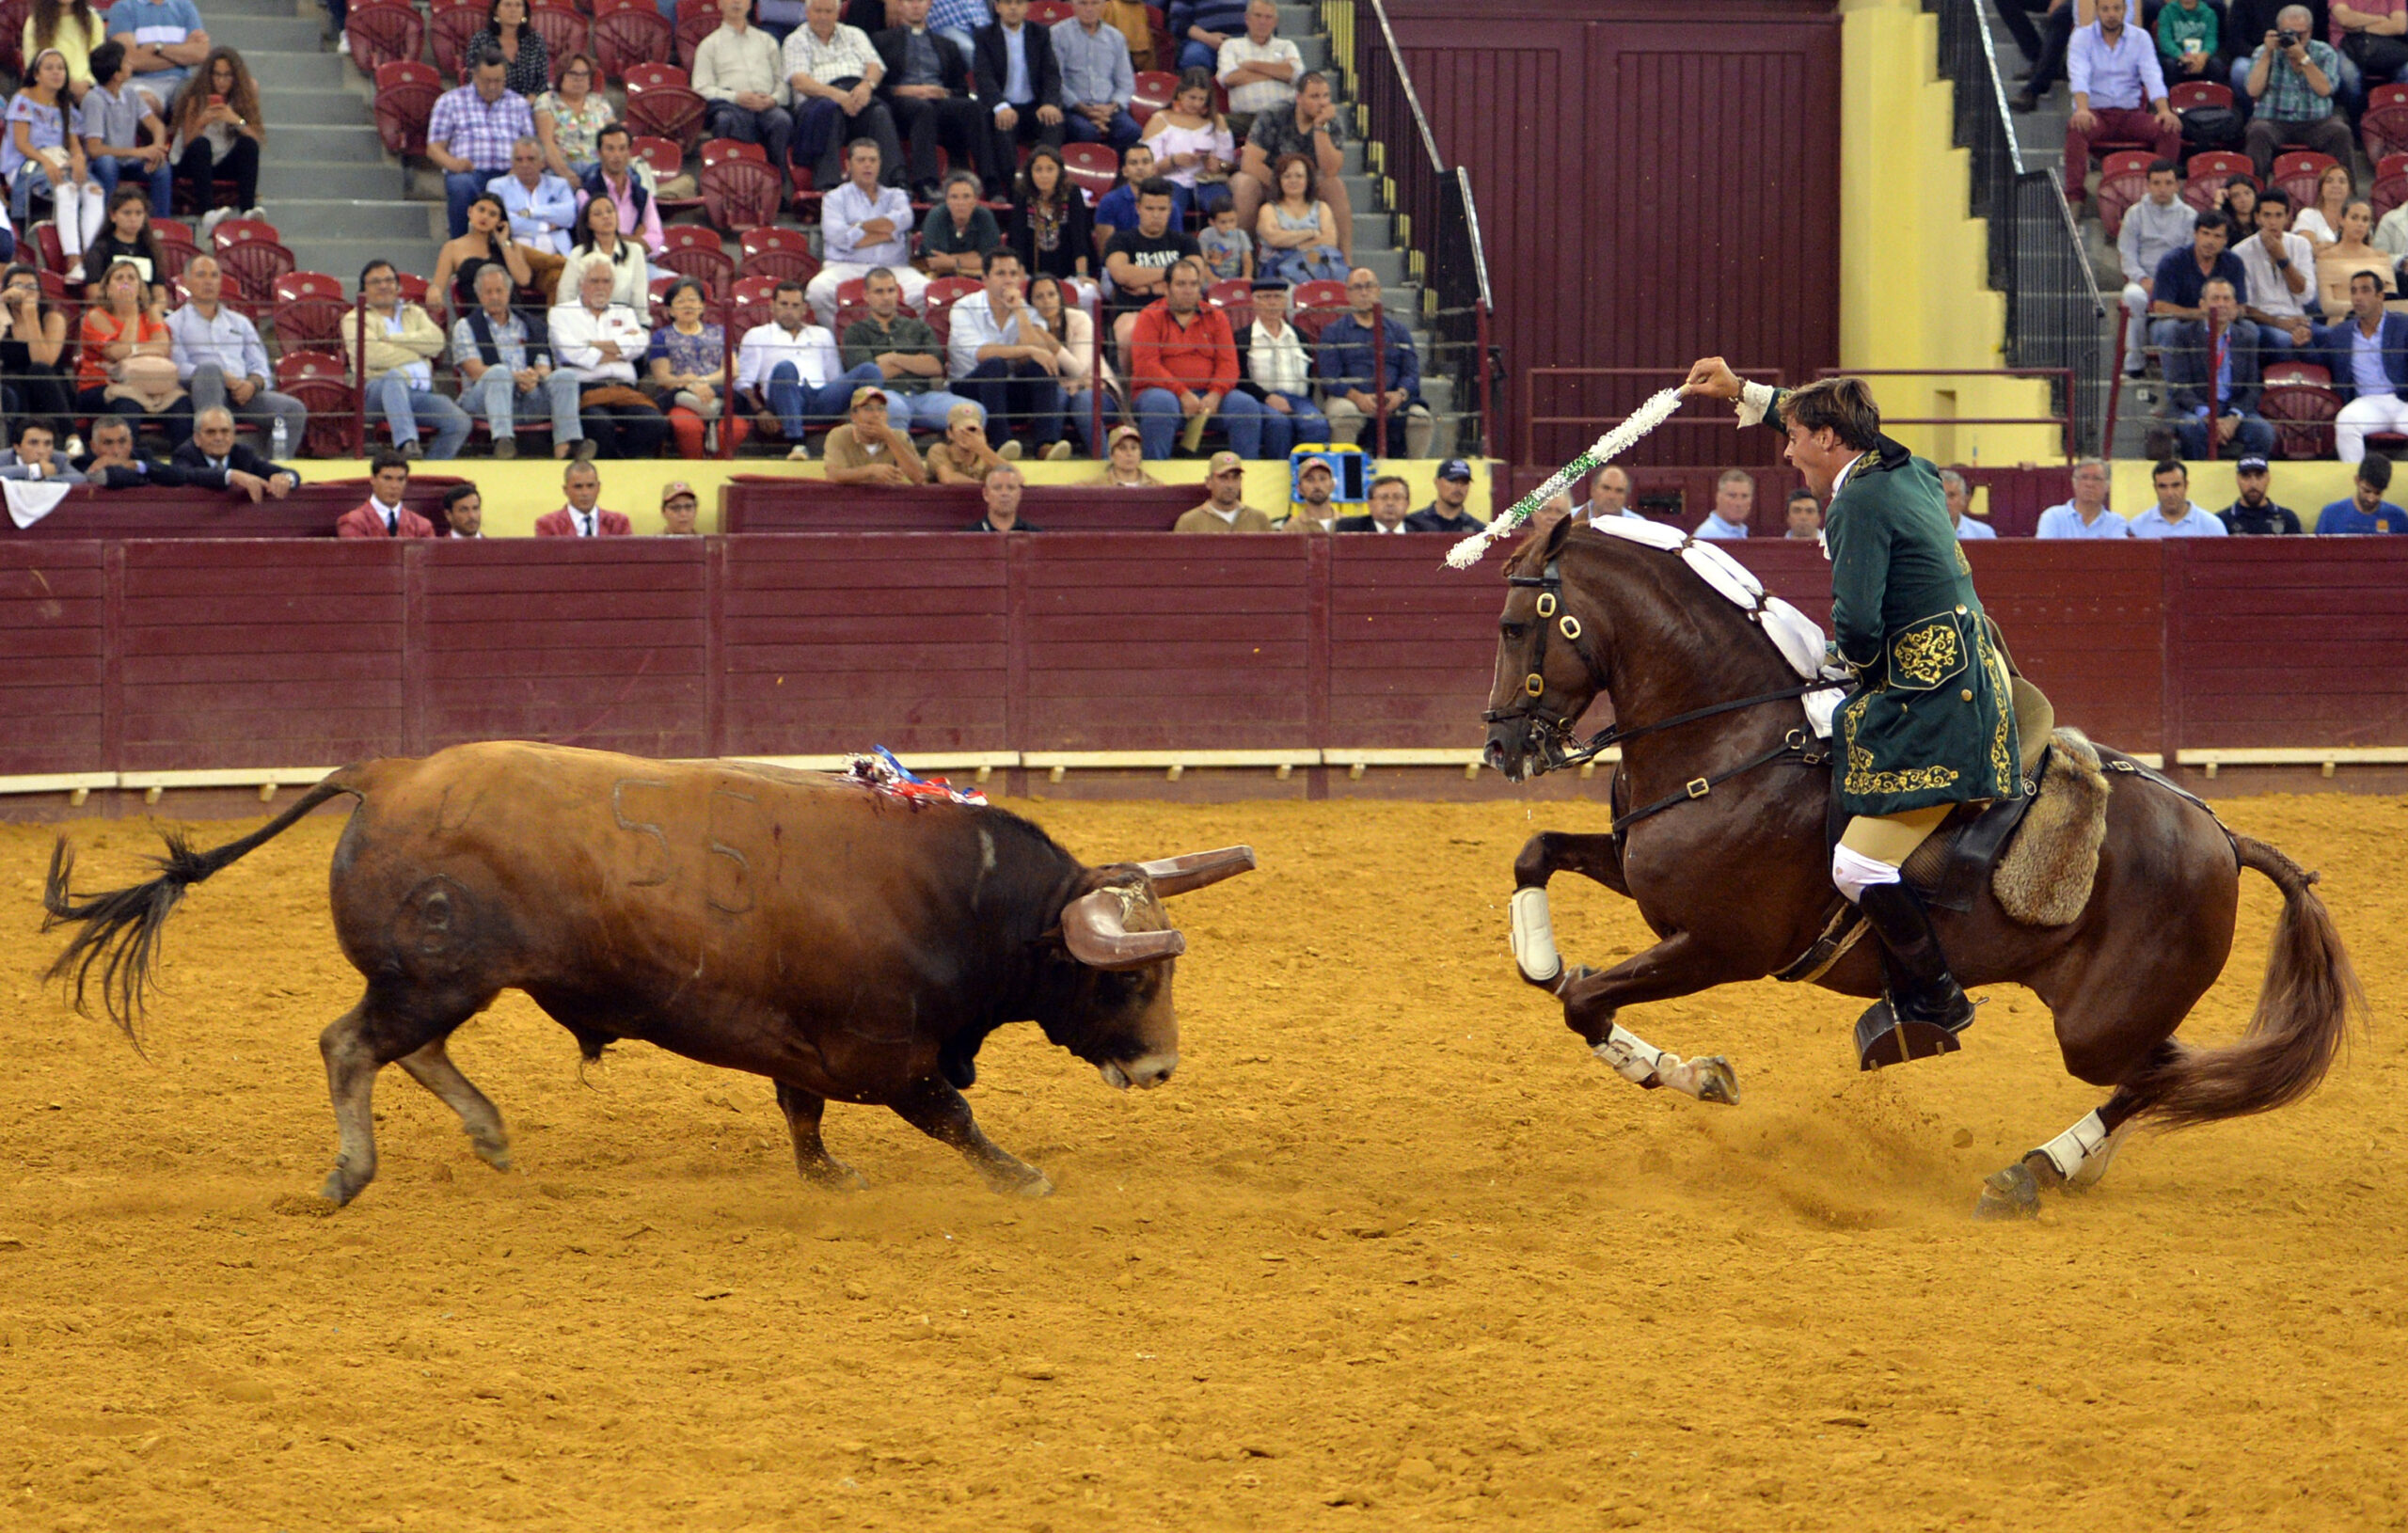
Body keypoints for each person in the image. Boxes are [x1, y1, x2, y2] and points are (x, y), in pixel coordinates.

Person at [1680, 358, 2020, 1069]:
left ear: (1830, 440)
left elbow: (1861, 622)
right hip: (1966, 669)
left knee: (1859, 866)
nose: (1786, 449)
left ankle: (1934, 996)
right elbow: (1820, 420)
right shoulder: (1906, 468)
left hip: (1935, 698)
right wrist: (1743, 392)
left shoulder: (1854, 503)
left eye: (1796, 437)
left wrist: (1839, 659)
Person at [167, 252, 308, 450]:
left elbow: (260, 366)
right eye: (201, 275)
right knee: (209, 371)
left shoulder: (240, 322)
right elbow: (177, 368)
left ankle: (272, 469)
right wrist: (221, 376)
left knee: (293, 410)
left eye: (214, 275)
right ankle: (211, 464)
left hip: (243, 395)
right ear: (187, 282)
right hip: (203, 393)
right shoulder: (174, 323)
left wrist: (251, 384)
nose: (208, 281)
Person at [1131, 257, 1265, 459]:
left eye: (1194, 284)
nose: (1188, 290)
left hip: (1209, 395)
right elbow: (1146, 365)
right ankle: (1154, 483)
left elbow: (1229, 363)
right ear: (1166, 288)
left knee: (1246, 406)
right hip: (1161, 393)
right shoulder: (1149, 316)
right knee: (1161, 405)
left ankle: (1244, 481)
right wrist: (1182, 393)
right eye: (1181, 284)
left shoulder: (1216, 316)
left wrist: (1216, 394)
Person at [738, 277, 882, 457]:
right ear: (772, 306)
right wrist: (760, 410)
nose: (789, 311)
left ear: (804, 309)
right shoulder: (756, 335)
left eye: (795, 305)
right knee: (785, 368)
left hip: (821, 398)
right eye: (783, 304)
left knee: (870, 370)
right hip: (783, 398)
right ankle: (797, 445)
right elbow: (743, 382)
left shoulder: (822, 334)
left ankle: (869, 439)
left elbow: (834, 377)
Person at [346, 259, 471, 459]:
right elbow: (371, 355)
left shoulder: (415, 312)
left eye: (389, 280)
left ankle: (429, 472)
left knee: (459, 421)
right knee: (394, 378)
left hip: (416, 392)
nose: (384, 286)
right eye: (376, 282)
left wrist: (393, 340)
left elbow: (437, 342)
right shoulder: (354, 318)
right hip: (373, 393)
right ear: (364, 290)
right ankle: (407, 444)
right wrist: (418, 357)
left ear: (397, 286)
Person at [948, 248, 1069, 455]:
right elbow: (981, 354)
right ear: (985, 278)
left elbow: (1041, 355)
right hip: (969, 390)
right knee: (994, 364)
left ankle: (1045, 445)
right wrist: (1029, 349)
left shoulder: (1027, 310)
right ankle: (1002, 443)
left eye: (1013, 274)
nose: (1008, 280)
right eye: (1001, 274)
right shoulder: (964, 307)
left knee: (1038, 365)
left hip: (1008, 391)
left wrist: (1019, 312)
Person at [454, 262, 579, 458]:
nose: (494, 297)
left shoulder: (530, 324)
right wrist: (514, 377)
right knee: (498, 373)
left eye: (499, 290)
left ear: (509, 291)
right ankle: (504, 442)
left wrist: (533, 377)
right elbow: (475, 370)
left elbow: (544, 366)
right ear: (478, 295)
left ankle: (568, 449)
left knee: (566, 376)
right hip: (485, 400)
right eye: (488, 292)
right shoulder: (465, 326)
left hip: (527, 396)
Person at [840, 262, 979, 435]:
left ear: (898, 293)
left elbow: (935, 366)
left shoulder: (918, 327)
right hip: (885, 396)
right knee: (895, 410)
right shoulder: (855, 332)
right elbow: (870, 376)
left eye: (891, 291)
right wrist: (916, 361)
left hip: (923, 397)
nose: (886, 297)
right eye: (879, 292)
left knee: (974, 412)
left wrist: (892, 358)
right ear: (866, 295)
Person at [2065, 0, 2179, 206]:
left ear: (2125, 10)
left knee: (2169, 127)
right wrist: (2081, 109)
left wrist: (2164, 110)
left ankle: (2161, 191)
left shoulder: (2140, 37)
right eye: (2106, 9)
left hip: (2130, 115)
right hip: (2096, 113)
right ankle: (2075, 198)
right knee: (2076, 127)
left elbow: (2152, 75)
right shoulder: (2082, 36)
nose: (2111, 14)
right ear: (2097, 10)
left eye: (2117, 8)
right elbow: (2079, 75)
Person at [549, 261, 670, 458]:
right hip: (586, 391)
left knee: (655, 424)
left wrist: (589, 344)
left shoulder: (625, 312)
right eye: (594, 281)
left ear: (613, 285)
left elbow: (638, 345)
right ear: (581, 284)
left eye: (606, 281)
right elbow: (570, 353)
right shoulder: (561, 313)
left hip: (625, 391)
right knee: (600, 425)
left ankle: (620, 462)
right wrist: (620, 347)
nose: (600, 287)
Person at [1232, 71, 1349, 265]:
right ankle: (1246, 262)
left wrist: (1320, 128)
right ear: (1299, 98)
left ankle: (1343, 263)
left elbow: (1330, 170)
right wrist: (1284, 185)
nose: (1322, 103)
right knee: (1245, 184)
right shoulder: (1274, 114)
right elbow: (1250, 163)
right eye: (1314, 96)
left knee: (1334, 185)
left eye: (1325, 96)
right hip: (1268, 180)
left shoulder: (1331, 121)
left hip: (1306, 184)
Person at [1317, 267, 1434, 459]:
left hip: (1393, 398)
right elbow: (1330, 377)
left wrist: (1400, 394)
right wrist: (1358, 397)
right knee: (1344, 415)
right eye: (1357, 287)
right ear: (1347, 294)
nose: (1364, 292)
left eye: (1369, 286)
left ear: (1378, 290)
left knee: (1420, 419)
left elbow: (1411, 374)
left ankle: (1411, 476)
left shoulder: (1398, 331)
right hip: (1349, 398)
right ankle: (1344, 475)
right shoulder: (1333, 332)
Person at [805, 138, 927, 324]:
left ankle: (897, 337)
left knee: (926, 291)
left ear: (879, 164)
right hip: (845, 266)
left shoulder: (896, 195)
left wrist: (859, 227)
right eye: (861, 160)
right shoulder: (834, 198)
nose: (867, 165)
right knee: (817, 291)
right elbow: (839, 237)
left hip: (893, 268)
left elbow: (905, 219)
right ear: (848, 165)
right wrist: (885, 233)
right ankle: (842, 340)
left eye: (873, 160)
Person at [876, 0, 984, 201]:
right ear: (900, 5)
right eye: (910, 1)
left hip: (938, 100)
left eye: (921, 1)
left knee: (972, 107)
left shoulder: (947, 45)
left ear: (930, 5)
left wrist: (943, 93)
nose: (916, 5)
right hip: (901, 102)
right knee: (922, 109)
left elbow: (961, 88)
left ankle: (990, 183)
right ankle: (926, 183)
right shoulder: (882, 40)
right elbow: (876, 87)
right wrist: (904, 90)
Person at [785, 0, 902, 186]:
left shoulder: (854, 34)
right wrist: (838, 96)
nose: (823, 16)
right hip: (818, 100)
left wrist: (866, 86)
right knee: (829, 110)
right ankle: (827, 184)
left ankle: (894, 181)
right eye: (818, 11)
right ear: (807, 13)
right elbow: (800, 82)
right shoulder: (796, 40)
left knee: (879, 112)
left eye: (829, 11)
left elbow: (875, 66)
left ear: (838, 14)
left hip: (857, 94)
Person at [77, 258, 190, 446]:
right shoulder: (96, 316)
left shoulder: (152, 313)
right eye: (119, 278)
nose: (126, 282)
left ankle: (185, 465)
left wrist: (133, 350)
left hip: (149, 385)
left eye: (131, 278)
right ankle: (129, 463)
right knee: (128, 402)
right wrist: (131, 316)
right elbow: (116, 354)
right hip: (101, 385)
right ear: (107, 288)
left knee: (182, 403)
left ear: (140, 286)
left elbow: (163, 349)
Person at [2164, 277, 2278, 460]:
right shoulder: (2183, 335)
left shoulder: (2246, 337)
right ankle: (2199, 481)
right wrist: (2207, 415)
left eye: (2226, 299)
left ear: (2234, 305)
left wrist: (2234, 418)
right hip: (2196, 407)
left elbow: (2253, 387)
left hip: (2231, 408)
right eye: (2215, 299)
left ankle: (2248, 479)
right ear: (2202, 305)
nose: (2221, 304)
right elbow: (2179, 385)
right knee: (2192, 427)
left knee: (2263, 432)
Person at [429, 49, 536, 242]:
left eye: (499, 81)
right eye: (487, 81)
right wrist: (453, 164)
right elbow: (434, 148)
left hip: (509, 172)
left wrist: (519, 168)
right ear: (474, 75)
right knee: (460, 186)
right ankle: (461, 248)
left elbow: (531, 145)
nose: (493, 86)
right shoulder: (450, 101)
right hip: (470, 173)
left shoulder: (519, 104)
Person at [7, 49, 101, 263]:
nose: (56, 73)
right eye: (49, 68)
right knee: (66, 189)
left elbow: (74, 145)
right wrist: (46, 162)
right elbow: (21, 143)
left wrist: (79, 159)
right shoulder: (23, 99)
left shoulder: (64, 104)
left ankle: (89, 255)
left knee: (94, 191)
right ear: (37, 74)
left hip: (60, 160)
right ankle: (73, 257)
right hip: (27, 163)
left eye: (60, 68)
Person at [2244, 8, 2353, 177]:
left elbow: (2325, 90)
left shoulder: (2324, 52)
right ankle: (2255, 192)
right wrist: (2267, 54)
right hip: (2273, 120)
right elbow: (2253, 90)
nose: (2294, 39)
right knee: (2258, 131)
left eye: (2300, 34)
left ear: (2310, 31)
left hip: (2316, 122)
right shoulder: (2263, 51)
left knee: (2341, 132)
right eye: (2289, 33)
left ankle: (2346, 194)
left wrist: (2304, 59)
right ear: (2278, 31)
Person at [650, 276, 746, 457]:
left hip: (719, 395)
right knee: (686, 425)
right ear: (670, 310)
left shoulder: (720, 332)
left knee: (736, 427)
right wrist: (691, 386)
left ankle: (719, 470)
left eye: (693, 300)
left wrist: (700, 381)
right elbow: (662, 377)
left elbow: (732, 371)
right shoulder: (662, 336)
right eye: (680, 301)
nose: (688, 305)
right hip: (682, 395)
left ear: (702, 306)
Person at [975, 0, 1065, 194]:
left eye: (1019, 3)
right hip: (1002, 106)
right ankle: (1011, 191)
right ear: (997, 7)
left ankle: (1047, 183)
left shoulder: (1040, 33)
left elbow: (1051, 74)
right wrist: (1000, 106)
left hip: (1033, 107)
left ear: (1027, 7)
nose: (1013, 8)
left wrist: (1049, 103)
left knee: (1054, 121)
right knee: (1000, 124)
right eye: (1007, 3)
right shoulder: (984, 35)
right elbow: (984, 77)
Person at [2116, 161, 2195, 376]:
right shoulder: (2134, 214)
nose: (2162, 188)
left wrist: (2170, 283)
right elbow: (2127, 253)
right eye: (2157, 183)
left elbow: (2190, 257)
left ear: (2176, 185)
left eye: (2168, 183)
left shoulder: (2189, 216)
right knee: (2133, 297)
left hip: (2177, 282)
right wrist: (2142, 279)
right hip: (2143, 280)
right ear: (2148, 185)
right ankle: (2134, 363)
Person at [2321, 268, 2408, 461]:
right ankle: (2357, 485)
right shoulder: (2340, 333)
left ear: (2380, 296)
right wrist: (2303, 341)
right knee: (2346, 421)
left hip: (2402, 400)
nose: (2358, 297)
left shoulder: (2402, 325)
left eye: (2365, 290)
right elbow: (2319, 359)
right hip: (2368, 402)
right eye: (2353, 291)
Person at [76, 42, 170, 218]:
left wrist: (156, 150)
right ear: (116, 75)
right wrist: (139, 152)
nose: (131, 64)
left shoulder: (130, 93)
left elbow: (157, 125)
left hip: (130, 161)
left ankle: (160, 226)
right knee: (107, 163)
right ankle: (108, 221)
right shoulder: (94, 100)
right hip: (102, 163)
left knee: (161, 168)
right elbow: (95, 150)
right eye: (126, 62)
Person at [1238, 278, 1323, 459]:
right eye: (1265, 297)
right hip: (1261, 400)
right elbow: (1240, 379)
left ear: (1285, 301)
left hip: (1299, 400)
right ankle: (1279, 474)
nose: (1272, 302)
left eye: (1277, 297)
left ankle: (1309, 477)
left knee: (1317, 425)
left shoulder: (1299, 335)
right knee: (1278, 424)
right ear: (1253, 302)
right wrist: (1267, 397)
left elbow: (1309, 375)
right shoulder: (1243, 338)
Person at [1026, 270, 1111, 452]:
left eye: (1051, 294)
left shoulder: (1079, 319)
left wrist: (1046, 338)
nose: (1047, 301)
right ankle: (1049, 456)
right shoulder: (1027, 327)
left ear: (1060, 297)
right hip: (1062, 391)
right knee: (1057, 395)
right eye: (1039, 297)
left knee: (1081, 401)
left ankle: (1104, 462)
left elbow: (1078, 370)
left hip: (1096, 388)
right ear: (1031, 303)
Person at [2233, 189, 2317, 365]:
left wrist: (2282, 259)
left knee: (2331, 338)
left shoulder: (2300, 245)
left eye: (2279, 215)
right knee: (2282, 341)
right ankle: (2284, 391)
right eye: (2267, 215)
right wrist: (2280, 323)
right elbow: (2245, 307)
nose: (2273, 222)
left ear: (2287, 218)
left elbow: (2306, 295)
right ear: (2257, 218)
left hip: (2298, 320)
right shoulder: (2240, 252)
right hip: (2265, 323)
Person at [2147, 213, 2248, 358]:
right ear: (2195, 234)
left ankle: (2237, 380)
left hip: (2221, 322)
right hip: (2181, 323)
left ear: (2225, 240)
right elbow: (2161, 308)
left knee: (2249, 329)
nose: (2210, 241)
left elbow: (2241, 307)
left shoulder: (2234, 262)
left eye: (2217, 236)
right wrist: (2204, 314)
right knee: (2170, 328)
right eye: (2205, 234)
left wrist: (2234, 313)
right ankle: (2176, 380)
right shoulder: (2172, 261)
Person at [1141, 68, 1236, 217]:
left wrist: (1218, 165)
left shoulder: (1216, 121)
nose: (1197, 103)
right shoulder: (1159, 120)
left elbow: (1228, 163)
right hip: (1172, 180)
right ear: (1180, 94)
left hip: (1206, 181)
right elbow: (1147, 168)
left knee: (1223, 207)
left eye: (1201, 99)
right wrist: (1173, 161)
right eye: (1192, 97)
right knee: (1171, 208)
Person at [432, 193, 539, 315]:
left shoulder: (511, 246)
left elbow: (523, 279)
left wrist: (503, 243)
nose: (485, 217)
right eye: (481, 210)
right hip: (477, 318)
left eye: (492, 214)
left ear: (500, 221)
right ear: (470, 211)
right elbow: (437, 285)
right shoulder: (452, 247)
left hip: (513, 315)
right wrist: (434, 292)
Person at [1053, 0, 1140, 150]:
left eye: (1095, 3)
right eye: (1083, 3)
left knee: (1131, 130)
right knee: (1085, 131)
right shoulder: (1057, 34)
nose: (1089, 9)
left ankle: (1116, 170)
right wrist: (1085, 110)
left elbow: (1126, 83)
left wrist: (1110, 108)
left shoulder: (1116, 37)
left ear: (1104, 5)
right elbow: (1055, 81)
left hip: (1109, 108)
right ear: (1072, 5)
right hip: (1073, 108)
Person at [556, 193, 653, 324]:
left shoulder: (635, 251)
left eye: (610, 211)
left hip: (622, 321)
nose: (606, 217)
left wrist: (642, 326)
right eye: (598, 214)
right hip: (585, 321)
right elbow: (566, 295)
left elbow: (639, 296)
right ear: (588, 223)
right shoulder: (578, 254)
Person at [1007, 145, 1092, 292]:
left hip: (1068, 272)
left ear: (1060, 171)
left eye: (1050, 169)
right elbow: (1017, 239)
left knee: (1087, 293)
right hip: (1030, 273)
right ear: (1030, 172)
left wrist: (1082, 275)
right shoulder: (1022, 194)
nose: (1044, 175)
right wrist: (1020, 276)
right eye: (1038, 169)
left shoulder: (1072, 192)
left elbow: (1080, 237)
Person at [1252, 150, 1345, 285]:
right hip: (1277, 274)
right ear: (1279, 181)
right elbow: (1274, 238)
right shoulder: (1268, 209)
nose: (1293, 181)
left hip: (1317, 269)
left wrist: (1294, 245)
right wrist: (1310, 233)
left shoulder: (1322, 208)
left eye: (1299, 176)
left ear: (1308, 180)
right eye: (1287, 176)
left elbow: (1330, 241)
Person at [172, 405, 296, 499]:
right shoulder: (184, 454)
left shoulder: (243, 454)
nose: (219, 438)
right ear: (197, 438)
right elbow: (187, 474)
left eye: (225, 431)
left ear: (233, 436)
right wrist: (231, 476)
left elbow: (291, 473)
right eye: (211, 432)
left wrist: (285, 478)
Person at [0, 262, 73, 422]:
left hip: (51, 393)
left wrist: (30, 316)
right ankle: (19, 439)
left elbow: (44, 362)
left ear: (40, 293)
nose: (25, 292)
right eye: (18, 286)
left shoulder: (53, 318)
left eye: (31, 287)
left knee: (37, 369)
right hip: (16, 392)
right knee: (10, 377)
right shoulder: (3, 318)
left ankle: (71, 436)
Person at [1217, 0, 1300, 137]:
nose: (1263, 22)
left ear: (1275, 21)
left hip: (1283, 116)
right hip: (1245, 118)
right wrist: (1277, 72)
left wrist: (1252, 66)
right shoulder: (1231, 46)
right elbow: (1229, 78)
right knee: (1215, 124)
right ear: (1247, 18)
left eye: (1268, 17)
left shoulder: (1286, 46)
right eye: (1258, 16)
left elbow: (1296, 75)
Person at [488, 136, 578, 262]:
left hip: (556, 257)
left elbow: (569, 216)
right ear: (512, 163)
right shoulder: (497, 186)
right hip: (515, 258)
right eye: (519, 160)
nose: (525, 165)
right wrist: (544, 226)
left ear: (542, 162)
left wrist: (529, 213)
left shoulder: (559, 185)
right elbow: (501, 222)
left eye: (531, 159)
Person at [581, 125, 665, 258]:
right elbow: (595, 239)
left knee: (671, 278)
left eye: (622, 148)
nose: (617, 155)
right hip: (601, 264)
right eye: (610, 149)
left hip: (638, 262)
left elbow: (656, 243)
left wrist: (617, 237)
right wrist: (636, 238)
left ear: (629, 152)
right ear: (599, 153)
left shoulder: (643, 194)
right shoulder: (586, 193)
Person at [821, 384, 927, 483]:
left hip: (887, 501)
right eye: (868, 409)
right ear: (853, 415)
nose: (876, 415)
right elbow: (833, 475)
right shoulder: (839, 435)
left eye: (881, 409)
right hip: (852, 501)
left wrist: (889, 437)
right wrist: (870, 471)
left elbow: (919, 477)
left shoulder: (899, 436)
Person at [105, 0, 208, 100]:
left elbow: (201, 53)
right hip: (142, 82)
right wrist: (183, 55)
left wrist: (158, 48)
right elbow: (130, 60)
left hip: (182, 82)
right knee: (144, 100)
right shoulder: (123, 8)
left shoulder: (185, 5)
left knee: (199, 102)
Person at [75, 184, 166, 296]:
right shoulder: (100, 250)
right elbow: (94, 292)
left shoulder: (152, 249)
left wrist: (153, 310)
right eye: (127, 213)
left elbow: (160, 294)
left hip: (145, 310)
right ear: (113, 215)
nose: (133, 219)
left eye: (138, 213)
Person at [534, 54, 610, 182]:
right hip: (561, 169)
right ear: (561, 76)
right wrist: (566, 174)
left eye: (584, 74)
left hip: (597, 169)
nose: (579, 79)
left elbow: (614, 137)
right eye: (572, 74)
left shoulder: (600, 103)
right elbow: (546, 143)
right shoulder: (547, 101)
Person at [1095, 143, 1185, 250]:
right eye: (1133, 163)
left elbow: (1176, 247)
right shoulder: (1109, 202)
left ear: (1154, 169)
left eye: (1145, 162)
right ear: (1124, 171)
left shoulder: (1171, 205)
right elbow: (1106, 250)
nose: (1140, 167)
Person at [2313, 199, 2392, 319]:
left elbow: (2393, 298)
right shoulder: (2326, 257)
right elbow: (2327, 305)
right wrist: (2364, 307)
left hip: (2382, 321)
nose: (2360, 224)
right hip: (2344, 321)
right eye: (2354, 218)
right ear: (2341, 220)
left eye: (2365, 220)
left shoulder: (2381, 256)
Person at [76, 412, 198, 487]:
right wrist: (149, 475)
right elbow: (115, 479)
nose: (116, 450)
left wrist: (134, 465)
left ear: (131, 443)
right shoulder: (83, 462)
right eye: (108, 443)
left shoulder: (142, 455)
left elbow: (178, 476)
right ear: (93, 446)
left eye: (122, 442)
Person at [336, 450, 437, 537]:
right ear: (373, 479)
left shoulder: (423, 526)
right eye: (387, 478)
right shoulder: (352, 522)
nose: (394, 486)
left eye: (400, 479)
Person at [919, 171, 1000, 279]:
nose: (960, 203)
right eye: (954, 197)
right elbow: (936, 262)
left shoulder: (984, 216)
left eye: (966, 196)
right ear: (946, 200)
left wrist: (953, 261)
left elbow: (991, 261)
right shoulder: (936, 215)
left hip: (979, 277)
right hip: (939, 276)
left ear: (976, 200)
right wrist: (974, 257)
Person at [25, 0, 106, 103]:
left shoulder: (93, 19)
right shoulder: (34, 22)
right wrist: (68, 84)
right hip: (50, 91)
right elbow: (32, 64)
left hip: (87, 90)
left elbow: (99, 60)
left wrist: (87, 83)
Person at [471, 0, 550, 103]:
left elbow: (542, 81)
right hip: (490, 103)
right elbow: (474, 78)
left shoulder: (535, 40)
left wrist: (526, 103)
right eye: (507, 5)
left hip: (530, 105)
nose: (513, 10)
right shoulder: (481, 39)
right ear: (496, 10)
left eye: (518, 5)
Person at [2131, 457, 2232, 536]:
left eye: (2176, 485)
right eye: (2163, 486)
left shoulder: (2212, 525)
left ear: (2186, 485)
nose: (2170, 493)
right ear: (2155, 488)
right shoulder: (2137, 526)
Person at [1174, 449, 1274, 529]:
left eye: (1235, 478)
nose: (1230, 485)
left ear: (1240, 481)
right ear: (1209, 482)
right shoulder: (1189, 522)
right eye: (1223, 478)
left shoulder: (1259, 519)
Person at [2035, 456, 2131, 536]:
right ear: (2074, 483)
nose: (2089, 484)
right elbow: (2045, 556)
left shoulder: (2116, 522)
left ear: (2108, 486)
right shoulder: (2053, 517)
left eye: (2097, 479)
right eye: (2084, 478)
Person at [534, 459, 633, 534]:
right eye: (578, 487)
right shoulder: (548, 524)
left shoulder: (619, 523)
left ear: (598, 488)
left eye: (590, 486)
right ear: (566, 490)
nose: (585, 493)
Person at [2315, 450, 2408, 529]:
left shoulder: (2398, 517)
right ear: (2357, 480)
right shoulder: (2331, 514)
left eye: (2377, 493)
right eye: (2367, 491)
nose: (2371, 499)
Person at [925, 398, 1014, 481]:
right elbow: (948, 478)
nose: (967, 434)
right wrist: (987, 486)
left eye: (972, 429)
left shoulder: (985, 457)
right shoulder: (939, 450)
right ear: (950, 433)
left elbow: (1016, 478)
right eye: (962, 430)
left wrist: (982, 448)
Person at [2218, 454, 2304, 532]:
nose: (2253, 484)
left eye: (2259, 476)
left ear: (2268, 478)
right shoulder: (2222, 521)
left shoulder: (2287, 519)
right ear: (2237, 479)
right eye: (2246, 476)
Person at [1407, 458, 1482, 532]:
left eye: (1464, 482)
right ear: (1436, 482)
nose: (1458, 487)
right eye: (1452, 480)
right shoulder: (1413, 524)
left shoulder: (1478, 530)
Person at [1169, 0, 1247, 71]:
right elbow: (1178, 23)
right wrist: (1208, 38)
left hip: (1245, 42)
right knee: (1194, 56)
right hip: (1203, 42)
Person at [0, 419, 83, 482]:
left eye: (47, 444)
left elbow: (80, 479)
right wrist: (36, 470)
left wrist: (48, 478)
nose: (41, 451)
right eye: (34, 443)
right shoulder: (3, 458)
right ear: (17, 448)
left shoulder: (58, 458)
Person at [2157, 0, 2223, 79]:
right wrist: (2181, 56)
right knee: (2169, 64)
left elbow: (2211, 40)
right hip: (2176, 57)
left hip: (2200, 58)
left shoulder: (2209, 14)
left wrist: (2203, 56)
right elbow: (2165, 41)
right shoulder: (2167, 12)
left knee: (2216, 65)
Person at [2290, 161, 2352, 245]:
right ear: (2321, 188)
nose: (2336, 185)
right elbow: (2308, 248)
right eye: (2329, 181)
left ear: (2349, 190)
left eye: (2342, 181)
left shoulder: (2356, 217)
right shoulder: (2307, 215)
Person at [1335, 473, 1412, 532]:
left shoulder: (1421, 530)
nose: (1390, 503)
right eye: (1383, 497)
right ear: (1370, 504)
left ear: (1407, 503)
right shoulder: (1349, 529)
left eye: (1397, 497)